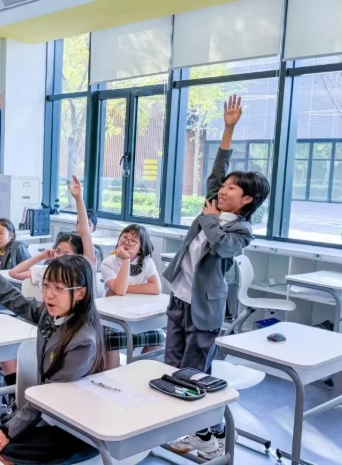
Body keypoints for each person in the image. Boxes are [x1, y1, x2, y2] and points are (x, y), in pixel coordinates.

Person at [164, 95, 271, 459]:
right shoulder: (214, 202)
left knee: (193, 373)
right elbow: (217, 168)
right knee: (173, 368)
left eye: (232, 188)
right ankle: (198, 431)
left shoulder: (241, 229)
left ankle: (210, 435)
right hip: (179, 300)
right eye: (223, 186)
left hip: (205, 310)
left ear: (247, 200)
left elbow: (223, 247)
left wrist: (210, 219)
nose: (223, 190)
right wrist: (228, 129)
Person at [0, 216, 104, 465]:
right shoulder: (51, 315)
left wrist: (8, 431)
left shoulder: (84, 340)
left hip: (74, 428)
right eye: (46, 286)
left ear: (81, 293)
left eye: (59, 288)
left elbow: (52, 395)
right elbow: (9, 295)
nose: (49, 294)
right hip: (47, 414)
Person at [101, 224, 166, 369]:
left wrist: (124, 289)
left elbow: (156, 288)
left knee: (158, 337)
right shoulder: (108, 262)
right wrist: (126, 260)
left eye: (133, 241)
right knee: (110, 339)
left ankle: (138, 373)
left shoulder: (147, 261)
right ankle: (112, 374)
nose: (126, 242)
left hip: (137, 316)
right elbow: (119, 290)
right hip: (113, 318)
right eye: (124, 237)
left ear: (141, 248)